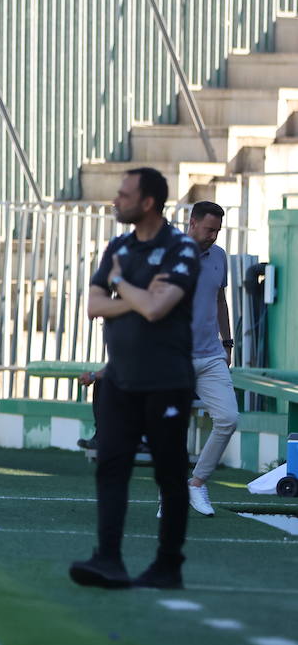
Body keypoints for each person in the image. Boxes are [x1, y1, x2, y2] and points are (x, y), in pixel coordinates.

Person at [71, 167, 200, 591]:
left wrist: (121, 285)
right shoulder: (119, 245)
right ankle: (108, 558)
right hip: (120, 381)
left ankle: (169, 565)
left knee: (169, 471)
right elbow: (93, 304)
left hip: (166, 381)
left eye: (124, 195)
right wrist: (136, 296)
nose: (116, 201)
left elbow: (158, 309)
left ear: (147, 203)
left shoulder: (180, 248)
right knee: (111, 468)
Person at [180, 200, 236, 518]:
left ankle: (197, 483)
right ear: (192, 223)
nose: (214, 236)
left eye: (218, 230)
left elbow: (219, 299)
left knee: (228, 418)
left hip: (212, 355)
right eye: (209, 229)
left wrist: (227, 344)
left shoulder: (219, 257)